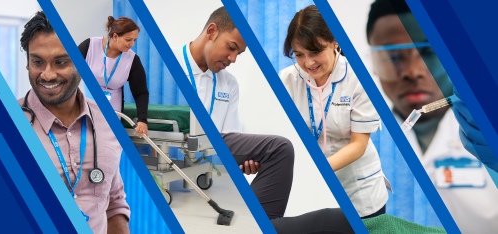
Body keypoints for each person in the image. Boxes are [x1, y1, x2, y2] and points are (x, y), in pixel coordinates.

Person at [367, 0, 498, 232]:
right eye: (393, 57)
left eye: (428, 51)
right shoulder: (359, 133)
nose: (412, 72)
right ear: (374, 63)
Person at [177, 6, 296, 220]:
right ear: (212, 31)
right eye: (231, 48)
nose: (233, 59)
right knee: (281, 148)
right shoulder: (171, 61)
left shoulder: (229, 83)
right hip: (183, 142)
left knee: (279, 150)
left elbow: (231, 135)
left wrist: (245, 161)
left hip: (213, 145)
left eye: (238, 54)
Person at [17, 11, 130, 234]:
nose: (47, 75)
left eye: (61, 62)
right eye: (38, 62)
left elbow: (114, 202)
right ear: (28, 64)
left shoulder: (108, 121)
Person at [279, 5, 388, 219]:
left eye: (315, 52)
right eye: (299, 54)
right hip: (309, 191)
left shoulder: (358, 79)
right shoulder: (287, 79)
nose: (308, 63)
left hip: (359, 191)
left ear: (334, 42)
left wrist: (316, 172)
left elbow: (358, 144)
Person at [77, 16, 150, 137]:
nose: (132, 44)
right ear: (115, 36)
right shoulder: (90, 45)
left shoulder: (133, 60)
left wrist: (142, 120)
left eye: (134, 40)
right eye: (128, 40)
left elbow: (140, 92)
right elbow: (69, 73)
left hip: (113, 110)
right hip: (85, 105)